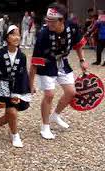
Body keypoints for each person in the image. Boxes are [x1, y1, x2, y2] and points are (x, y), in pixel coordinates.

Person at [29, 3, 88, 140]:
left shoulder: (72, 28)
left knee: (71, 92)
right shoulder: (43, 34)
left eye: (51, 21)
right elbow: (34, 62)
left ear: (62, 20)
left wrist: (82, 60)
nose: (48, 23)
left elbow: (79, 45)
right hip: (46, 64)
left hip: (63, 63)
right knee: (49, 94)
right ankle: (45, 127)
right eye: (47, 20)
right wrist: (30, 84)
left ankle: (55, 115)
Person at [0, 25, 31, 148]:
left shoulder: (22, 56)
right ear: (7, 37)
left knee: (11, 113)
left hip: (16, 88)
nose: (17, 37)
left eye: (18, 34)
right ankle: (15, 135)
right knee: (12, 113)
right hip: (2, 87)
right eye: (13, 34)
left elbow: (23, 75)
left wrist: (21, 92)